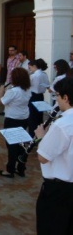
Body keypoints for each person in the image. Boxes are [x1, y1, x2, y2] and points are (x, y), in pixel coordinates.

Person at [35, 77, 73, 235]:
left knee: (51, 227)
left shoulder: (62, 124)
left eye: (57, 95)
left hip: (59, 191)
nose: (56, 99)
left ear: (66, 97)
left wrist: (41, 137)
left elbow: (43, 157)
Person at [0, 67, 31, 178]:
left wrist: (2, 90)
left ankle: (10, 170)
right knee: (21, 144)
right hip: (24, 118)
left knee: (11, 145)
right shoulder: (27, 89)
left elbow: (1, 102)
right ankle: (21, 168)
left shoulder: (13, 91)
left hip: (12, 118)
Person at [27, 59, 50, 137]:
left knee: (32, 117)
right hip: (40, 96)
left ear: (34, 66)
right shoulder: (44, 74)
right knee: (39, 116)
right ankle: (39, 134)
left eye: (30, 67)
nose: (30, 69)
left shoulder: (34, 75)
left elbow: (28, 86)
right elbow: (47, 85)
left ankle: (32, 135)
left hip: (33, 96)